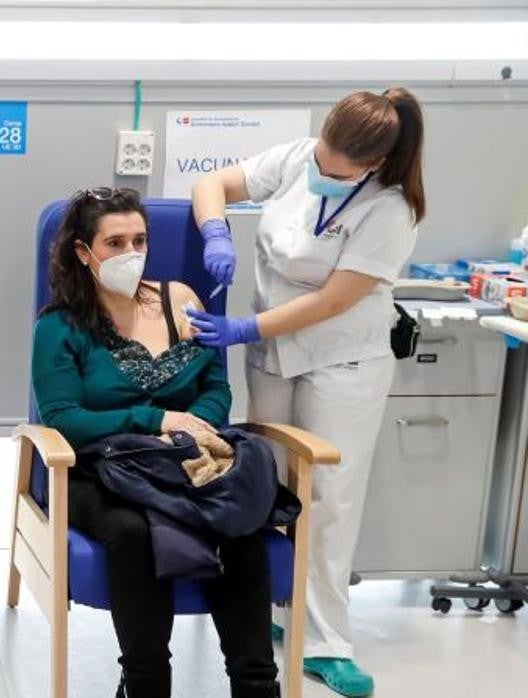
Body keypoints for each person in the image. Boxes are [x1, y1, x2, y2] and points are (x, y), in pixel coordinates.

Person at [188, 88, 425, 698]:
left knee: (329, 501)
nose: (321, 170)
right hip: (274, 354)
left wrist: (244, 328)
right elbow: (213, 184)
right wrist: (216, 233)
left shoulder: (391, 211)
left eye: (337, 168)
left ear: (374, 165)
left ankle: (325, 643)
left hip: (341, 360)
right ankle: (268, 612)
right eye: (323, 153)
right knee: (270, 485)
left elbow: (333, 301)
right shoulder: (298, 157)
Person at [32, 187, 280, 698]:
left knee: (241, 524)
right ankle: (145, 683)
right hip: (102, 470)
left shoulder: (179, 300)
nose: (131, 253)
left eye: (139, 240)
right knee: (130, 531)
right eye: (115, 242)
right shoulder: (60, 327)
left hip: (185, 461)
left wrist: (199, 426)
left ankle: (257, 684)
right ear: (84, 252)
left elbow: (216, 385)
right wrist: (159, 419)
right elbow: (64, 419)